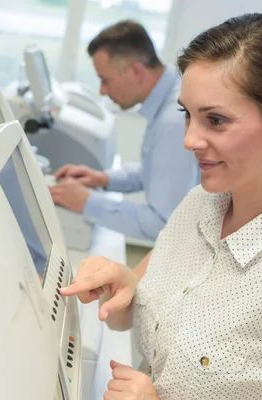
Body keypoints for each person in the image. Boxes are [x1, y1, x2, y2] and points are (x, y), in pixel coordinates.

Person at [60, 13, 262, 400]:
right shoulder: (200, 205)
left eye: (215, 120)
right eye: (187, 115)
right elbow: (135, 312)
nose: (190, 139)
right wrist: (120, 286)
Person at [49, 20, 199, 242]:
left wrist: (87, 202)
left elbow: (162, 223)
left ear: (136, 71)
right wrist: (103, 179)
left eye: (105, 80)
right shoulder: (169, 98)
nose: (102, 90)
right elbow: (158, 170)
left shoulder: (173, 119)